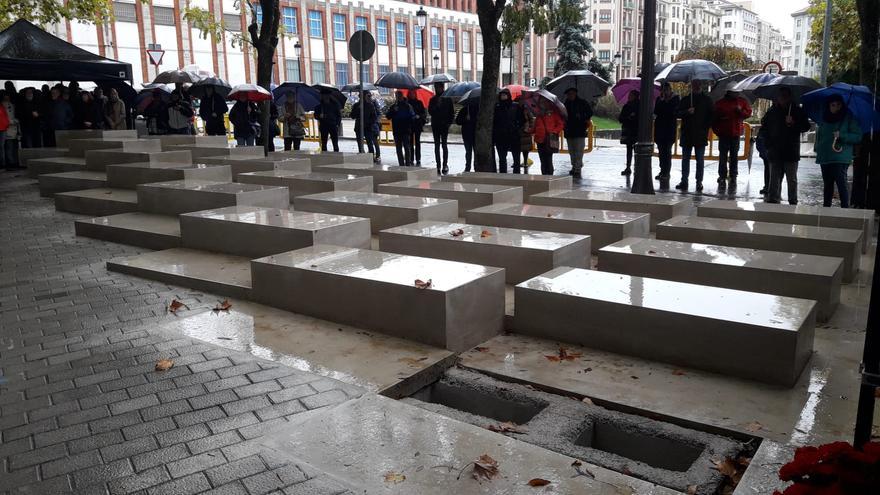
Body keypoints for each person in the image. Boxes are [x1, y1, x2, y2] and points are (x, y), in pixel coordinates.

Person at [760, 87, 810, 205]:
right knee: (774, 178)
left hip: (791, 150)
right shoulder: (772, 111)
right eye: (781, 96)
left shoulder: (797, 111)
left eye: (785, 96)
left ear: (790, 97)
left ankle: (793, 200)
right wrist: (768, 145)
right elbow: (764, 128)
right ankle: (773, 199)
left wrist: (793, 123)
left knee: (791, 178)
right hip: (775, 150)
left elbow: (806, 127)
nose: (782, 98)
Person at [815, 94, 863, 208]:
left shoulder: (848, 117)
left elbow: (857, 136)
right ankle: (826, 211)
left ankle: (844, 210)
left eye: (838, 105)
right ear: (829, 105)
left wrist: (842, 135)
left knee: (842, 185)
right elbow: (820, 135)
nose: (836, 107)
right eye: (833, 105)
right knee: (827, 186)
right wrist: (817, 148)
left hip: (840, 157)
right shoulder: (824, 118)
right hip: (825, 157)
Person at [675, 80, 713, 192]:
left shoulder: (706, 100)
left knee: (699, 160)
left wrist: (705, 127)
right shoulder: (686, 100)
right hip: (687, 133)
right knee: (685, 159)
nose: (696, 86)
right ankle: (684, 180)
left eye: (697, 84)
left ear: (700, 85)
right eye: (694, 84)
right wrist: (687, 112)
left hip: (700, 134)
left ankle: (699, 181)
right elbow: (677, 113)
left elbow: (711, 116)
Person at [712, 89, 752, 193]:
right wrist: (717, 130)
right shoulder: (720, 103)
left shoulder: (742, 102)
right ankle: (722, 175)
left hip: (735, 134)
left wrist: (740, 111)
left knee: (734, 156)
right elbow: (714, 118)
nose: (737, 94)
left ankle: (733, 176)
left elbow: (748, 113)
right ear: (729, 92)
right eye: (735, 92)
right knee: (723, 156)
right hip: (724, 134)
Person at [563, 87, 593, 179]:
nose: (570, 96)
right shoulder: (566, 104)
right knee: (571, 151)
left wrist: (582, 116)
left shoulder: (582, 103)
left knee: (578, 150)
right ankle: (574, 165)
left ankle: (577, 168)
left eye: (571, 94)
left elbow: (590, 113)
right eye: (568, 94)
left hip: (579, 130)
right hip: (569, 131)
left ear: (575, 93)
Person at [653, 82, 679, 185]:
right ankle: (662, 170)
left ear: (670, 90)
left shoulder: (675, 99)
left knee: (667, 152)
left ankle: (666, 172)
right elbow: (656, 111)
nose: (665, 92)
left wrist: (665, 102)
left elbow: (672, 111)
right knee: (661, 151)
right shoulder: (659, 99)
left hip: (669, 129)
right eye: (663, 90)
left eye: (666, 90)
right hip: (660, 129)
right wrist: (662, 101)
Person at [493, 88, 523, 174]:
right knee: (502, 159)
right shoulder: (497, 107)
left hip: (514, 135)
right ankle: (503, 175)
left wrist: (517, 127)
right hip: (501, 136)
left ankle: (516, 175)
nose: (503, 97)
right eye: (502, 95)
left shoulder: (515, 106)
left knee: (516, 158)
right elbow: (494, 121)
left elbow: (521, 119)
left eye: (505, 95)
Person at [428, 83, 455, 174]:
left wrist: (448, 123)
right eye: (436, 88)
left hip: (444, 126)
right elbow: (430, 111)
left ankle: (445, 164)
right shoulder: (433, 100)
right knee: (436, 146)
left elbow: (451, 113)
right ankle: (438, 165)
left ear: (442, 88)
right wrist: (436, 106)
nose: (437, 89)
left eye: (438, 88)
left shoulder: (447, 99)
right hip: (436, 125)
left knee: (444, 145)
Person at [386, 91, 416, 167]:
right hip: (397, 130)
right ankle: (401, 164)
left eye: (399, 96)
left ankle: (408, 164)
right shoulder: (393, 106)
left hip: (406, 130)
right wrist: (393, 111)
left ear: (402, 96)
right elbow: (388, 116)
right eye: (396, 96)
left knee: (407, 147)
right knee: (398, 148)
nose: (398, 97)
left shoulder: (408, 106)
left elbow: (412, 117)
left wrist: (408, 121)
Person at [533, 103, 564, 176]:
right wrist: (529, 130)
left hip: (549, 139)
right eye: (541, 102)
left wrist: (554, 131)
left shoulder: (554, 114)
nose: (542, 104)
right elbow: (535, 127)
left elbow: (560, 124)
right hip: (540, 140)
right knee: (542, 160)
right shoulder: (539, 115)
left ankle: (549, 175)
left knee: (548, 159)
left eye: (544, 102)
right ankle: (544, 175)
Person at [351, 91, 380, 162]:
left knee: (369, 143)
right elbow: (352, 116)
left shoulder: (370, 105)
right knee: (360, 143)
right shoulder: (356, 105)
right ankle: (362, 156)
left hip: (368, 127)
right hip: (359, 127)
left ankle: (371, 158)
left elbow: (374, 117)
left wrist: (368, 123)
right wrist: (358, 109)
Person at [619, 90, 640, 176]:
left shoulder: (640, 106)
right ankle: (628, 167)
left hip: (636, 130)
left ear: (635, 96)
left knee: (636, 150)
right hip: (628, 130)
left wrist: (633, 117)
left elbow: (640, 118)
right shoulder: (626, 106)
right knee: (629, 149)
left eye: (631, 95)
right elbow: (620, 118)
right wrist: (628, 117)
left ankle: (636, 167)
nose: (629, 97)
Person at [455, 103, 477, 172]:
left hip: (476, 134)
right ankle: (468, 167)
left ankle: (476, 166)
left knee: (476, 152)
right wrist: (465, 119)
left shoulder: (478, 109)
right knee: (468, 152)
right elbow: (457, 121)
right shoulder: (464, 110)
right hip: (467, 134)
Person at [407, 91, 426, 166]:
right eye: (411, 94)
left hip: (417, 124)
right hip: (410, 125)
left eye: (413, 93)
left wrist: (419, 116)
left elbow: (423, 113)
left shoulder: (419, 102)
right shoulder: (407, 103)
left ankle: (418, 158)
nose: (412, 95)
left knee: (417, 142)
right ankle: (411, 158)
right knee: (410, 142)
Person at [1, 91, 19, 169]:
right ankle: (10, 162)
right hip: (7, 128)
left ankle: (12, 162)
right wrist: (12, 121)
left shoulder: (11, 105)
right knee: (9, 147)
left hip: (12, 128)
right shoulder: (3, 106)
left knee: (12, 146)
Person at [519, 105, 536, 174]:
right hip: (519, 132)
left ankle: (525, 161)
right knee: (517, 148)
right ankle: (517, 162)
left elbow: (531, 120)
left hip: (526, 133)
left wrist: (529, 128)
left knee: (525, 149)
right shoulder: (516, 109)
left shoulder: (527, 111)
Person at [0, 93, 9, 170]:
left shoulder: (2, 107)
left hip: (2, 129)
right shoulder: (2, 107)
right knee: (1, 147)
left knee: (1, 147)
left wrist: (6, 124)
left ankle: (2, 163)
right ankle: (2, 163)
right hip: (3, 128)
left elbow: (5, 117)